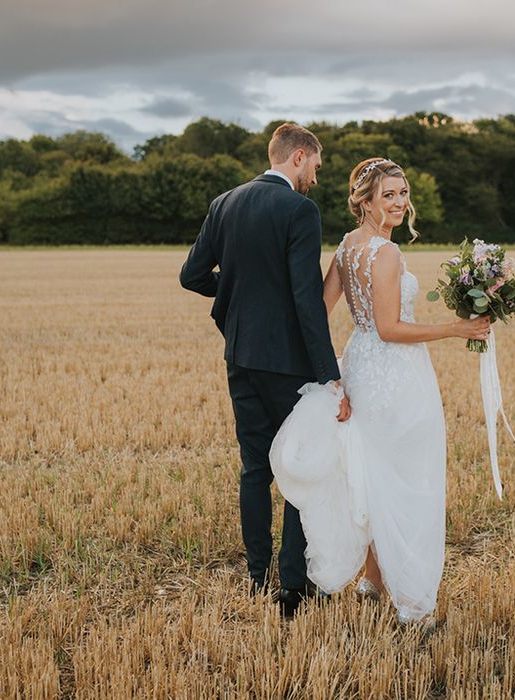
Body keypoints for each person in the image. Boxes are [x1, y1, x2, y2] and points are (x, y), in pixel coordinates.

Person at [270, 158, 490, 628]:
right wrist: (456, 327)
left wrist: (332, 370)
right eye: (388, 194)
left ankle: (372, 581)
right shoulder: (387, 255)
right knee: (408, 483)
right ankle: (412, 602)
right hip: (396, 375)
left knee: (373, 476)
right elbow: (390, 328)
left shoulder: (349, 246)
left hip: (360, 367)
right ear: (364, 201)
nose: (398, 202)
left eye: (402, 192)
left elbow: (320, 308)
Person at [178, 122, 350, 618]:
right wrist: (328, 372)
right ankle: (291, 587)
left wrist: (235, 293)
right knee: (298, 462)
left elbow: (192, 276)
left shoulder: (223, 203)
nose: (315, 177)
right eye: (315, 166)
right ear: (298, 157)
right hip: (287, 365)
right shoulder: (299, 210)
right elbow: (304, 299)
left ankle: (257, 576)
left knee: (255, 468)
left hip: (239, 357)